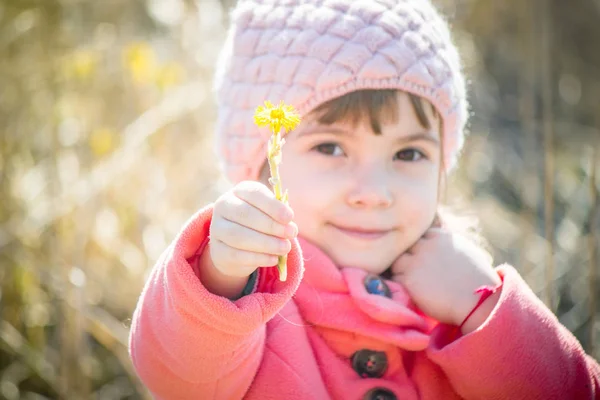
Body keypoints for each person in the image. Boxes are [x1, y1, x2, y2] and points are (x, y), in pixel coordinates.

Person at [128, 0, 600, 398]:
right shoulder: (253, 299)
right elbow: (176, 375)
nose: (374, 193)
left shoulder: (460, 296)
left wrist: (485, 311)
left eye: (409, 153)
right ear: (260, 165)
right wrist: (221, 273)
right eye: (330, 147)